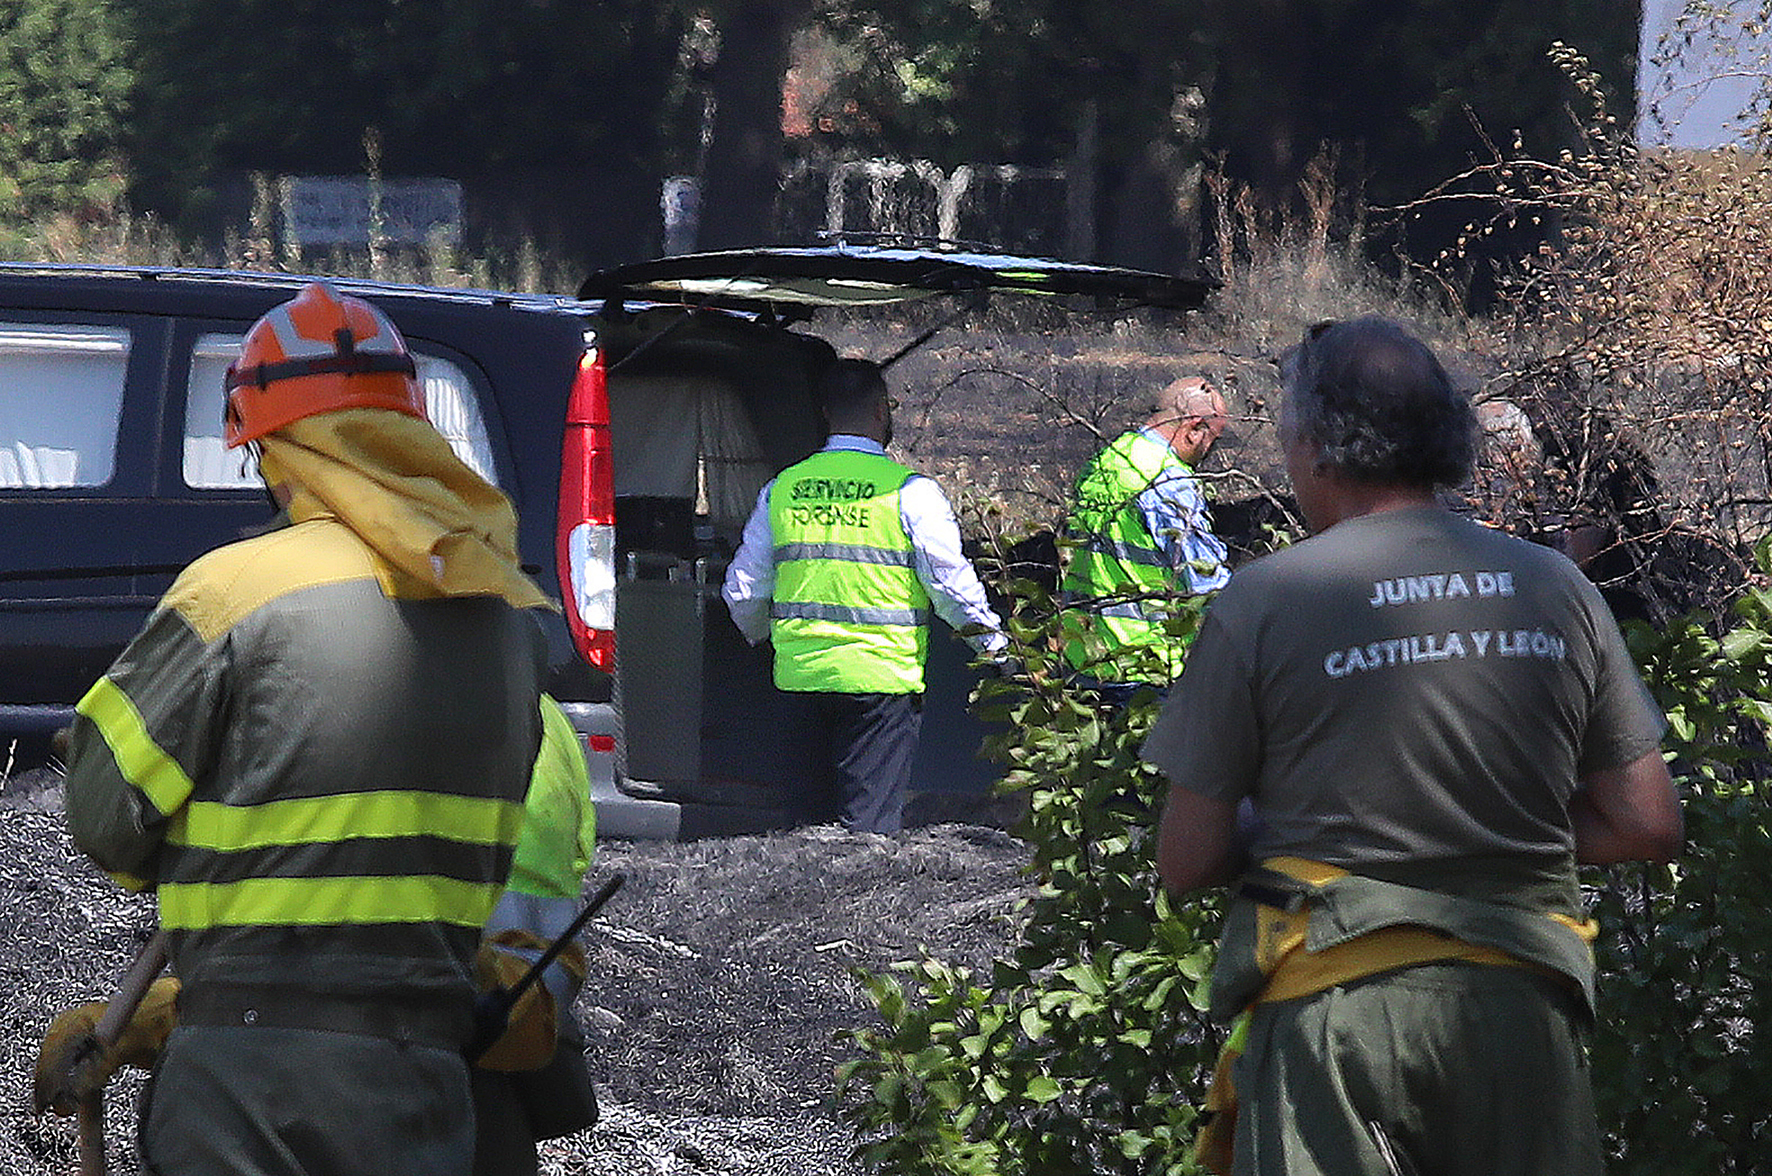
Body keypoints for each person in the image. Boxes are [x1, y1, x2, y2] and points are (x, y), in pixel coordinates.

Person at [1143, 318, 1682, 1176]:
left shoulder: (1264, 600)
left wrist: (1337, 818)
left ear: (1315, 446)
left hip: (1338, 1018)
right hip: (1519, 1012)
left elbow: (1188, 857)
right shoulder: (1559, 587)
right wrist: (1482, 821)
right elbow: (1648, 824)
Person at [57, 281, 553, 1176]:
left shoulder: (234, 592)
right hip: (424, 1083)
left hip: (247, 1087)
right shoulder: (504, 614)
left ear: (274, 444)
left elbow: (103, 819)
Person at [721, 357, 1006, 834]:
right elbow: (949, 586)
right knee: (867, 836)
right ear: (881, 412)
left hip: (800, 679)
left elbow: (743, 592)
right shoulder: (910, 492)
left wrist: (764, 638)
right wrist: (994, 647)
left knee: (802, 833)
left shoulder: (783, 489)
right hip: (881, 682)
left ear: (827, 415)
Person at [471, 693, 602, 1176]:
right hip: (551, 929)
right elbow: (583, 840)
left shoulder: (418, 692)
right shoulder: (548, 711)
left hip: (477, 910)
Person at [1060, 375, 1230, 689]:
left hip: (1084, 660)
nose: (1210, 451)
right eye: (1213, 440)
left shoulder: (1106, 460)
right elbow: (1206, 584)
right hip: (1147, 665)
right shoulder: (1169, 481)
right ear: (1193, 430)